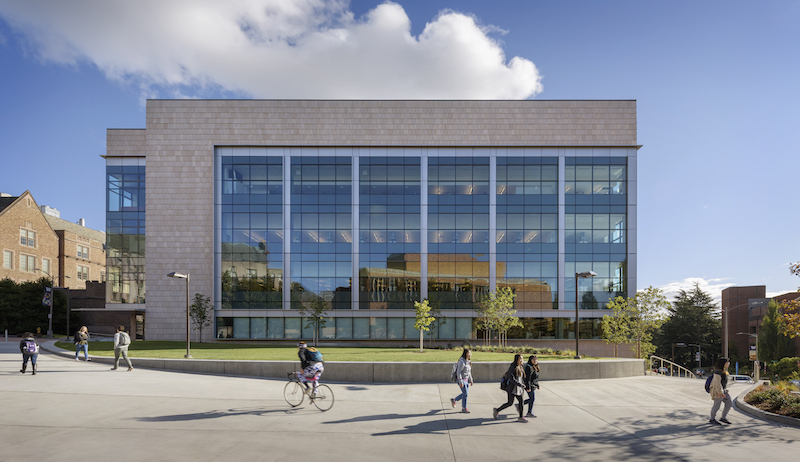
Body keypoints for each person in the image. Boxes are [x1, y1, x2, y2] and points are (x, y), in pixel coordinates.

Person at [493, 354, 528, 423]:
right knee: (509, 403)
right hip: (512, 388)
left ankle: (521, 417)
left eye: (522, 359)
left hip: (519, 389)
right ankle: (497, 410)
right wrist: (520, 384)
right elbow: (511, 378)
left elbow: (522, 378)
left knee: (521, 402)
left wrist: (523, 385)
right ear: (516, 360)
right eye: (520, 359)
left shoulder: (520, 366)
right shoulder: (513, 367)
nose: (521, 360)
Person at [450, 349, 474, 413]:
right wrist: (460, 381)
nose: (470, 354)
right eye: (469, 353)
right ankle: (464, 408)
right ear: (466, 354)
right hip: (462, 380)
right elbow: (458, 372)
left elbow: (469, 372)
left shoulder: (468, 361)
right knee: (465, 393)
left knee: (465, 394)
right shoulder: (461, 362)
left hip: (466, 380)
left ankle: (454, 400)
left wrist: (471, 379)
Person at [709, 357, 732, 425]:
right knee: (717, 405)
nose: (728, 364)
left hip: (723, 391)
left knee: (729, 403)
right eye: (727, 362)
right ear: (723, 363)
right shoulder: (717, 372)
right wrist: (720, 392)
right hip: (718, 391)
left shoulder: (723, 371)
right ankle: (712, 419)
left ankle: (723, 418)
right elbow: (717, 383)